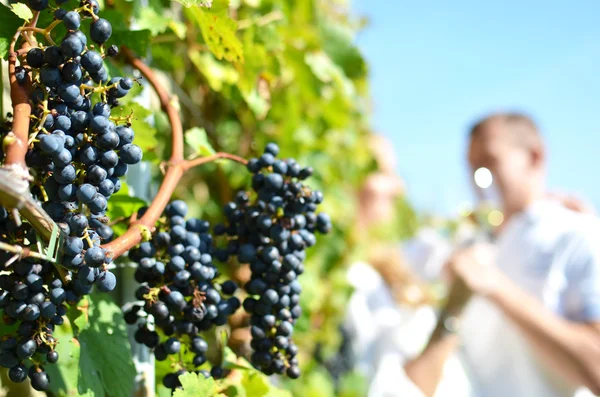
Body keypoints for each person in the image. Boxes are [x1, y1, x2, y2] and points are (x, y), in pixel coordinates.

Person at [404, 112, 600, 397]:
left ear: (534, 157)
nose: (478, 179)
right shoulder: (469, 241)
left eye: (489, 162)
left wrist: (497, 288)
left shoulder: (576, 235)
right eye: (472, 167)